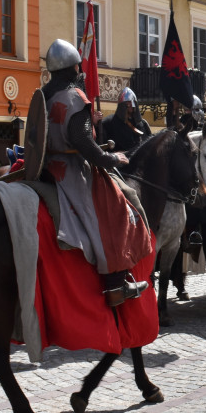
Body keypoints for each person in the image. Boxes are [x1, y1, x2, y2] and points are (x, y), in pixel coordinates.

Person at [40, 39, 150, 307]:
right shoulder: (75, 98)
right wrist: (111, 158)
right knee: (115, 208)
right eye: (78, 66)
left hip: (47, 167)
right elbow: (82, 143)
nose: (81, 70)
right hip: (73, 171)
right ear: (73, 67)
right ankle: (115, 285)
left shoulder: (43, 95)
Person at [100, 87, 151, 155]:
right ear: (122, 104)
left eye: (133, 102)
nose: (131, 104)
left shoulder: (142, 124)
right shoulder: (109, 122)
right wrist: (113, 155)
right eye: (128, 102)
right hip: (120, 163)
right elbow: (102, 148)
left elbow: (149, 146)